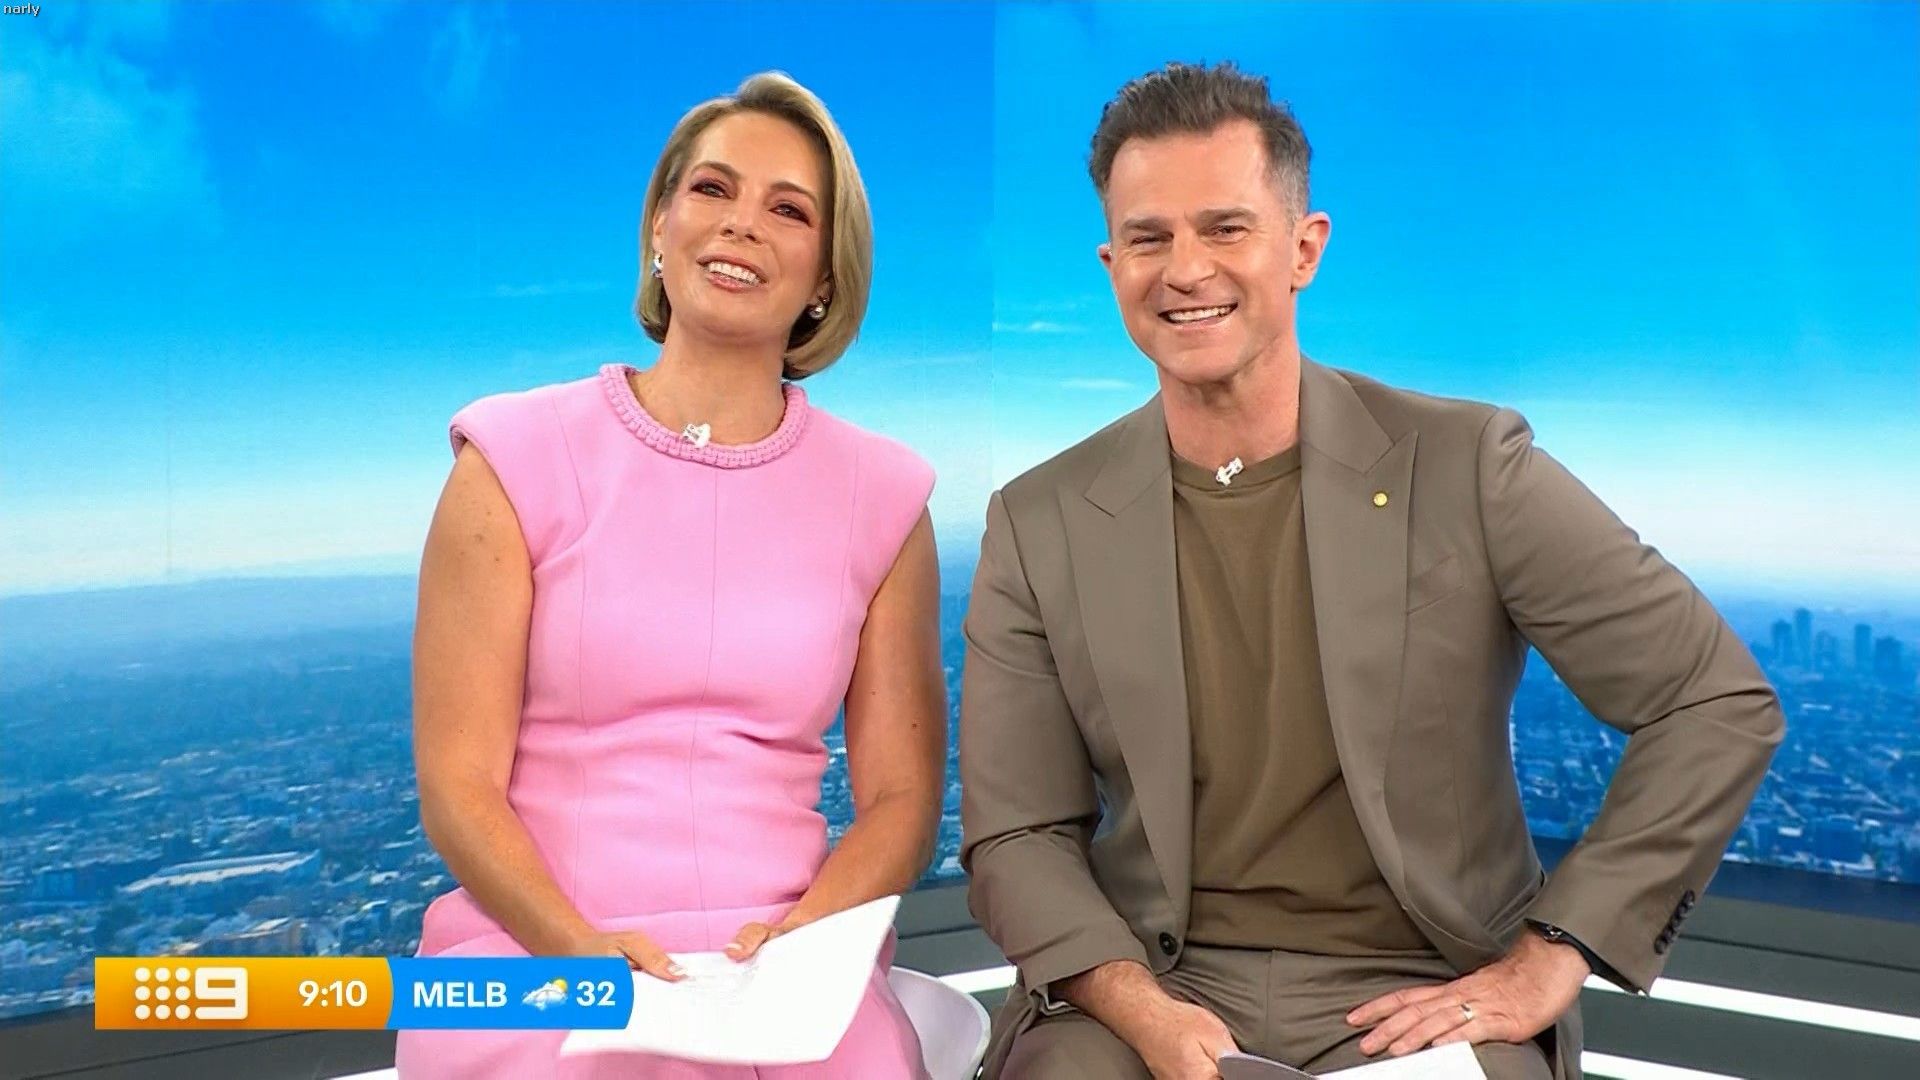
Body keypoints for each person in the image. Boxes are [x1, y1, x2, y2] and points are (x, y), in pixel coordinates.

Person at [959, 61, 1784, 1080]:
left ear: (1304, 249)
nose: (1184, 269)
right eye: (1148, 237)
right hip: (1146, 984)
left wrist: (1554, 954)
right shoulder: (1038, 519)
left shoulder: (1469, 466)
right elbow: (1019, 832)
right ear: (1111, 262)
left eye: (1224, 228)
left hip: (1421, 980)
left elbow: (1712, 700)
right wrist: (1139, 1009)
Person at [400, 72, 943, 1079]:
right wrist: (579, 955)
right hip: (534, 951)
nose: (742, 225)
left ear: (826, 276)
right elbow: (457, 784)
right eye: (712, 189)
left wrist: (797, 955)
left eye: (789, 210)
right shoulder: (511, 460)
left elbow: (903, 799)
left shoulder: (886, 498)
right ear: (660, 225)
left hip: (783, 964)